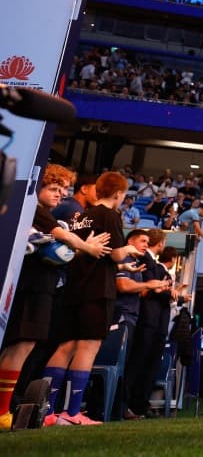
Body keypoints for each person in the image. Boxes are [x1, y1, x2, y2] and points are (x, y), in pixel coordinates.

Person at [0, 165, 111, 431]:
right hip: (32, 286)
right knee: (21, 345)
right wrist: (87, 247)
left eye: (63, 190)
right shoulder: (33, 211)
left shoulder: (46, 215)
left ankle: (6, 407)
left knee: (22, 346)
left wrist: (81, 248)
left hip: (40, 286)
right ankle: (3, 410)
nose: (60, 194)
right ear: (38, 187)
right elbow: (61, 236)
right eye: (53, 188)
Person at [40, 171, 142, 426]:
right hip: (97, 291)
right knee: (88, 346)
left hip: (75, 288)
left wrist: (121, 267)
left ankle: (48, 411)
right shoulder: (110, 215)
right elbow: (116, 254)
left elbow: (95, 255)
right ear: (119, 194)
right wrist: (129, 250)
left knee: (65, 347)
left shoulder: (81, 217)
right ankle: (72, 412)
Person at [125, 233, 177, 419]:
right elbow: (150, 289)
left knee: (148, 366)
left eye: (147, 242)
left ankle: (137, 405)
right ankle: (126, 405)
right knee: (137, 364)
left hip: (153, 322)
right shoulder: (145, 260)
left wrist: (166, 290)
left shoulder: (151, 261)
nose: (145, 245)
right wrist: (165, 290)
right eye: (142, 241)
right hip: (145, 320)